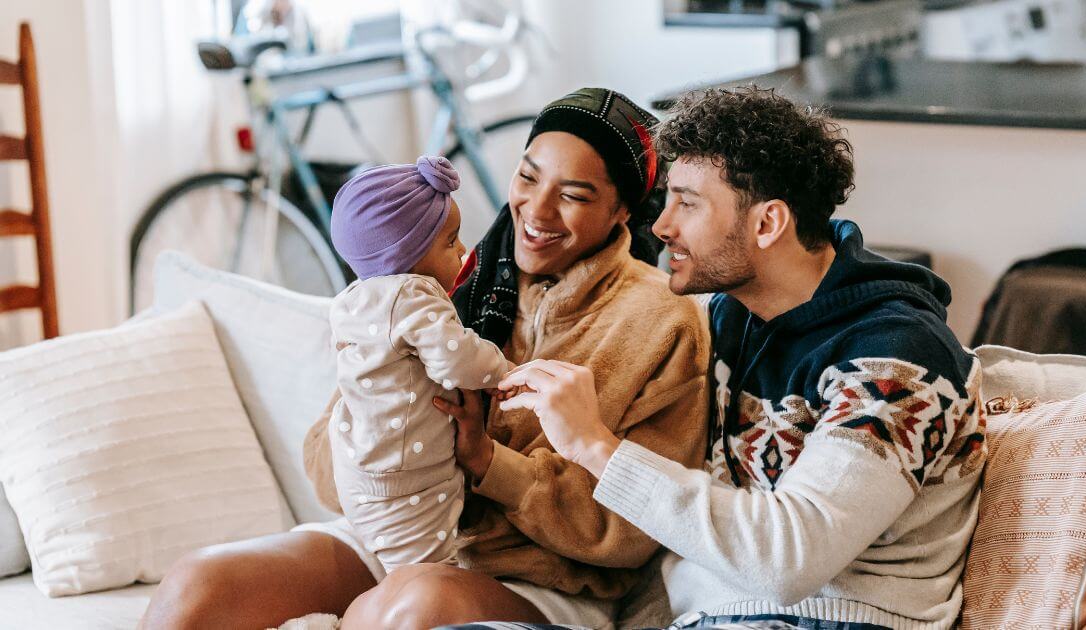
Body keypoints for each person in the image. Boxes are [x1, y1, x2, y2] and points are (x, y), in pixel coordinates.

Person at [139, 87, 710, 630]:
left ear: (621, 211)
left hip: (537, 577)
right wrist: (385, 440)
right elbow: (324, 466)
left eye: (574, 195)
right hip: (395, 533)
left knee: (412, 606)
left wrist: (488, 464)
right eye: (528, 176)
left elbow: (638, 526)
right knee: (196, 585)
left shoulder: (661, 323)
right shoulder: (435, 275)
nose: (536, 210)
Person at [495, 87, 987, 630]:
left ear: (767, 223)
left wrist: (594, 446)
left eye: (688, 203)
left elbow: (789, 558)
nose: (660, 227)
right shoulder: (730, 317)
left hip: (833, 618)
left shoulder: (897, 359)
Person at [325, 156, 510, 572]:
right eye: (450, 241)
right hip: (410, 477)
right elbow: (456, 359)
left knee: (401, 571)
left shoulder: (350, 301)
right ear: (404, 251)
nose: (463, 250)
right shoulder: (413, 292)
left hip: (360, 472)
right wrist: (506, 372)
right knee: (427, 573)